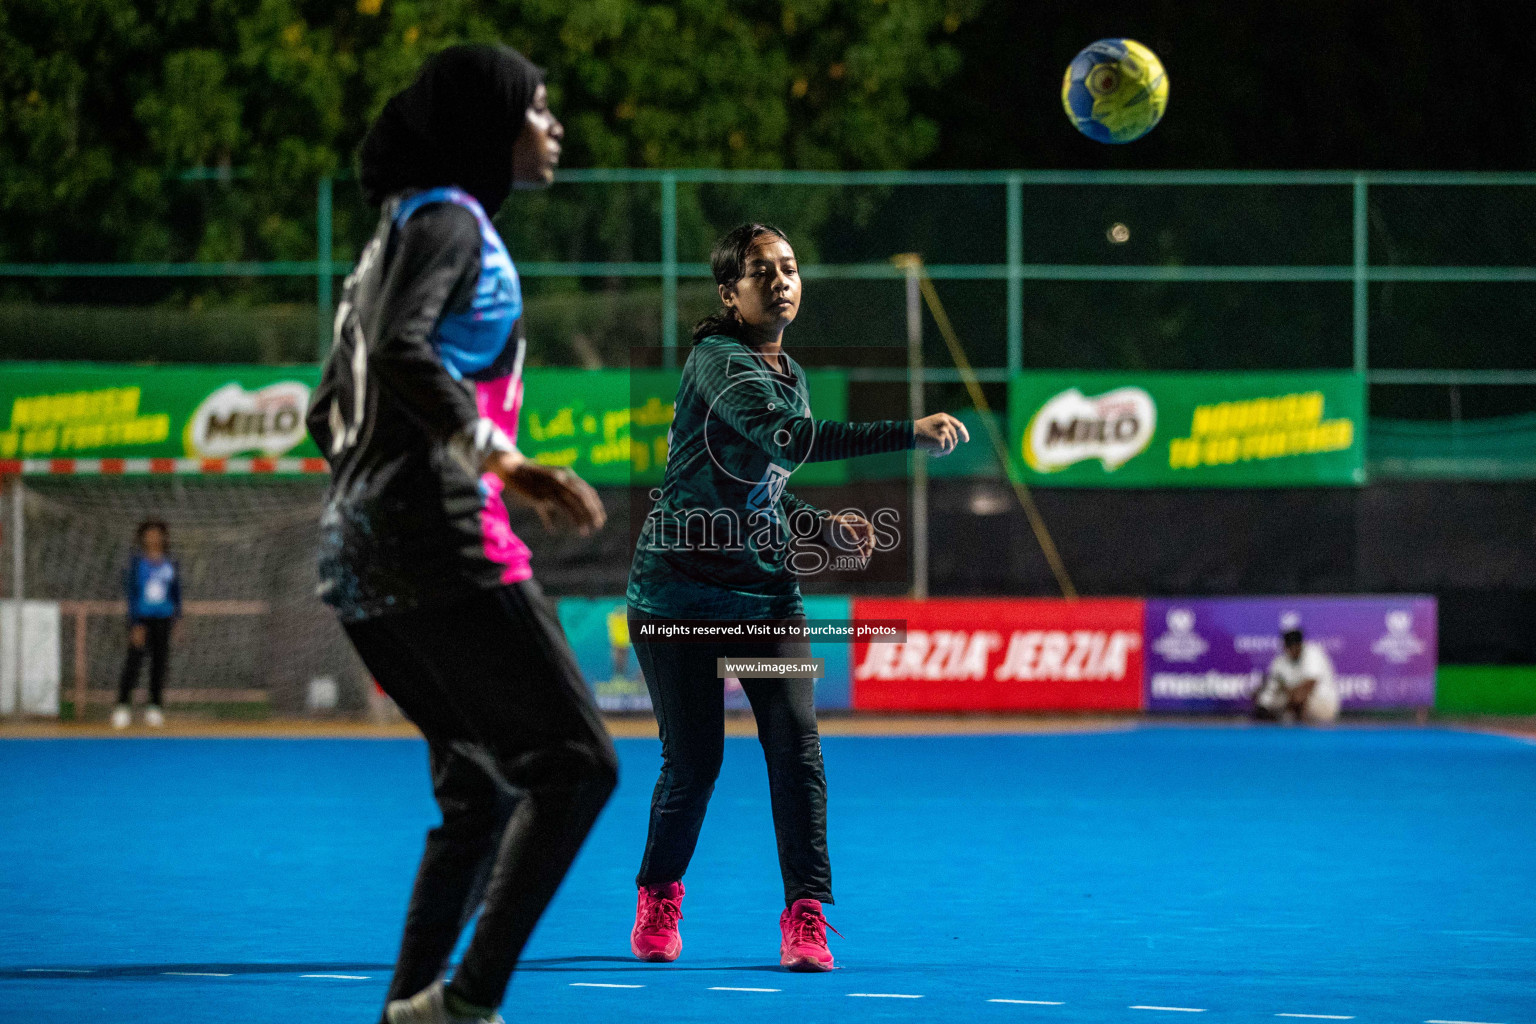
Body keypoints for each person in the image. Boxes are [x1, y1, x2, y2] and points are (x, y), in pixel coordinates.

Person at [305, 44, 616, 1024]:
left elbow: (326, 413)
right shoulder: (449, 219)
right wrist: (505, 463)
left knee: (481, 794)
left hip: (354, 560)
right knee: (578, 765)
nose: (553, 125)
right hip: (438, 542)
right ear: (490, 126)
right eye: (538, 108)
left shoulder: (386, 236)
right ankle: (467, 1003)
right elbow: (403, 349)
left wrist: (375, 492)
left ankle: (411, 1012)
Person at [624, 222, 970, 972]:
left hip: (765, 604)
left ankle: (806, 915)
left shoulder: (791, 372)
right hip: (677, 602)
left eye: (788, 268)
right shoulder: (718, 360)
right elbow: (786, 440)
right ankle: (659, 893)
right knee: (695, 763)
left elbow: (763, 489)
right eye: (760, 271)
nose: (780, 280)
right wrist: (907, 432)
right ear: (730, 293)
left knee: (796, 744)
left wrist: (817, 524)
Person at [112, 520, 180, 730]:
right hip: (142, 620)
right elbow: (132, 594)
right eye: (149, 534)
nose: (153, 538)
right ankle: (122, 706)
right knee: (134, 663)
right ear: (142, 537)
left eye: (157, 534)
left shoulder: (170, 563)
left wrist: (177, 618)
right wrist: (135, 623)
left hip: (164, 619)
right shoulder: (137, 563)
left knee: (159, 664)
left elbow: (176, 593)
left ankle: (155, 707)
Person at [1254, 627, 1341, 724]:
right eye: (1289, 647)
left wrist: (1287, 693)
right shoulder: (1281, 660)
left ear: (1300, 645)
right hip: (1292, 701)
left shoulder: (1313, 653)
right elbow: (1271, 685)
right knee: (1263, 697)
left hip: (1322, 704)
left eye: (1295, 646)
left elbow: (1306, 688)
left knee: (1299, 698)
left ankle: (1302, 732)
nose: (1292, 650)